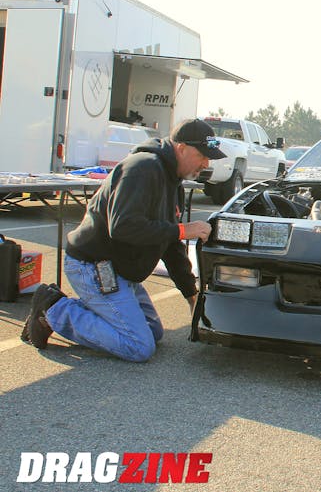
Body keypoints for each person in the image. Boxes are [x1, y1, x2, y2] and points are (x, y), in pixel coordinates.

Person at [21, 119, 226, 362]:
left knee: (153, 332)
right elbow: (123, 227)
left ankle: (87, 311)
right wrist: (182, 230)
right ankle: (54, 309)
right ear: (181, 148)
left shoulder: (173, 183)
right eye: (202, 155)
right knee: (138, 346)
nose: (206, 163)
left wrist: (191, 296)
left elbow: (171, 245)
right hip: (94, 266)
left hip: (120, 270)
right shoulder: (143, 168)